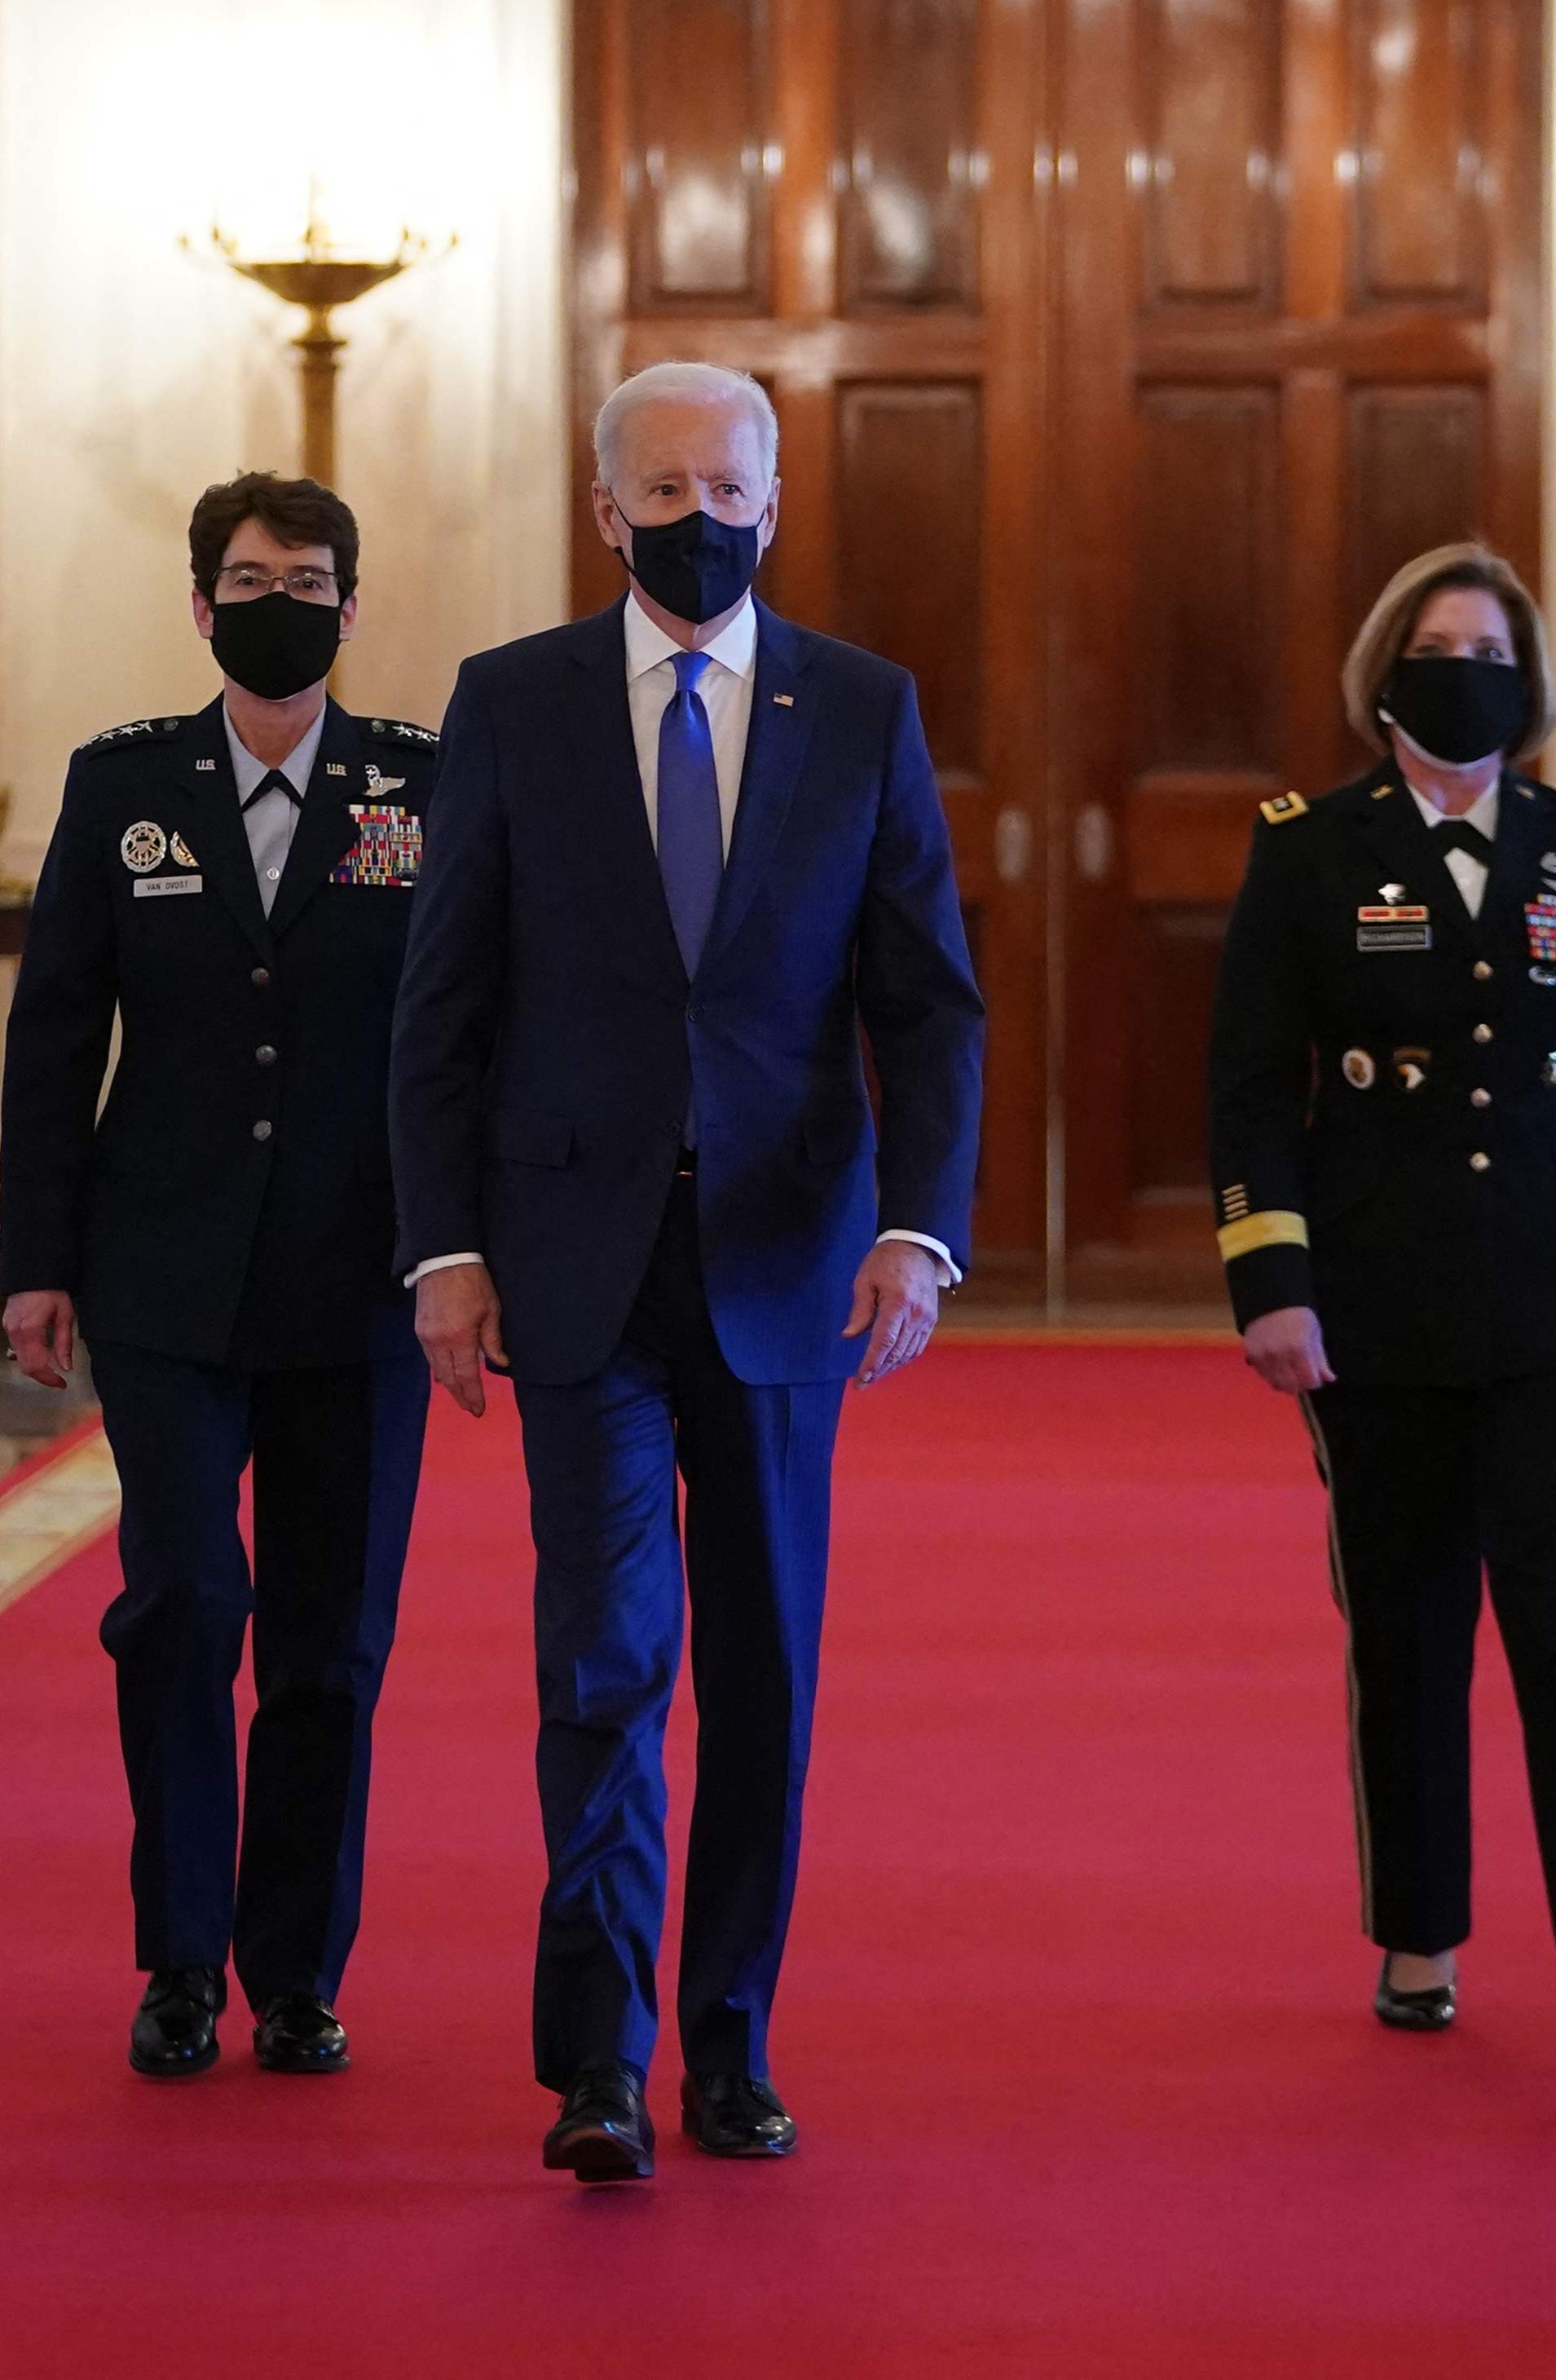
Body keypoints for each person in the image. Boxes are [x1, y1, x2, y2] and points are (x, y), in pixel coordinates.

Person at [389, 360, 986, 2184]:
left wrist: (917, 1222)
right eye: (664, 493)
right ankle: (597, 2057)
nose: (700, 523)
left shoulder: (861, 707)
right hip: (573, 1264)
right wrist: (445, 1249)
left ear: (776, 502)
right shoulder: (511, 703)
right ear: (606, 510)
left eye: (730, 491)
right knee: (606, 1660)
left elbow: (925, 998)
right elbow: (445, 1005)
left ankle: (729, 2041)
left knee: (767, 1670)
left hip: (787, 1265)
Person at [1201, 541, 1556, 2059]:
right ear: (1386, 675)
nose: (1467, 670)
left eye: (1494, 650)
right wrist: (1271, 1281)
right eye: (1440, 646)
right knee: (1408, 1622)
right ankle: (1421, 1935)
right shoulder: (1307, 849)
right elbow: (1250, 1090)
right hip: (1376, 1295)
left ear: (1531, 679)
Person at [0, 471, 440, 2085]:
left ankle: (299, 1970)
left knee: (330, 1639)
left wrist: (469, 1251)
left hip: (361, 1284)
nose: (280, 599)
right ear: (201, 604)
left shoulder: (419, 787)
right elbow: (56, 1034)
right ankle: (181, 1955)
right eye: (250, 575)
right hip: (164, 1278)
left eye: (310, 576)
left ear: (348, 604)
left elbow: (458, 1037)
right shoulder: (126, 786)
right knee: (182, 1608)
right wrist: (36, 1262)